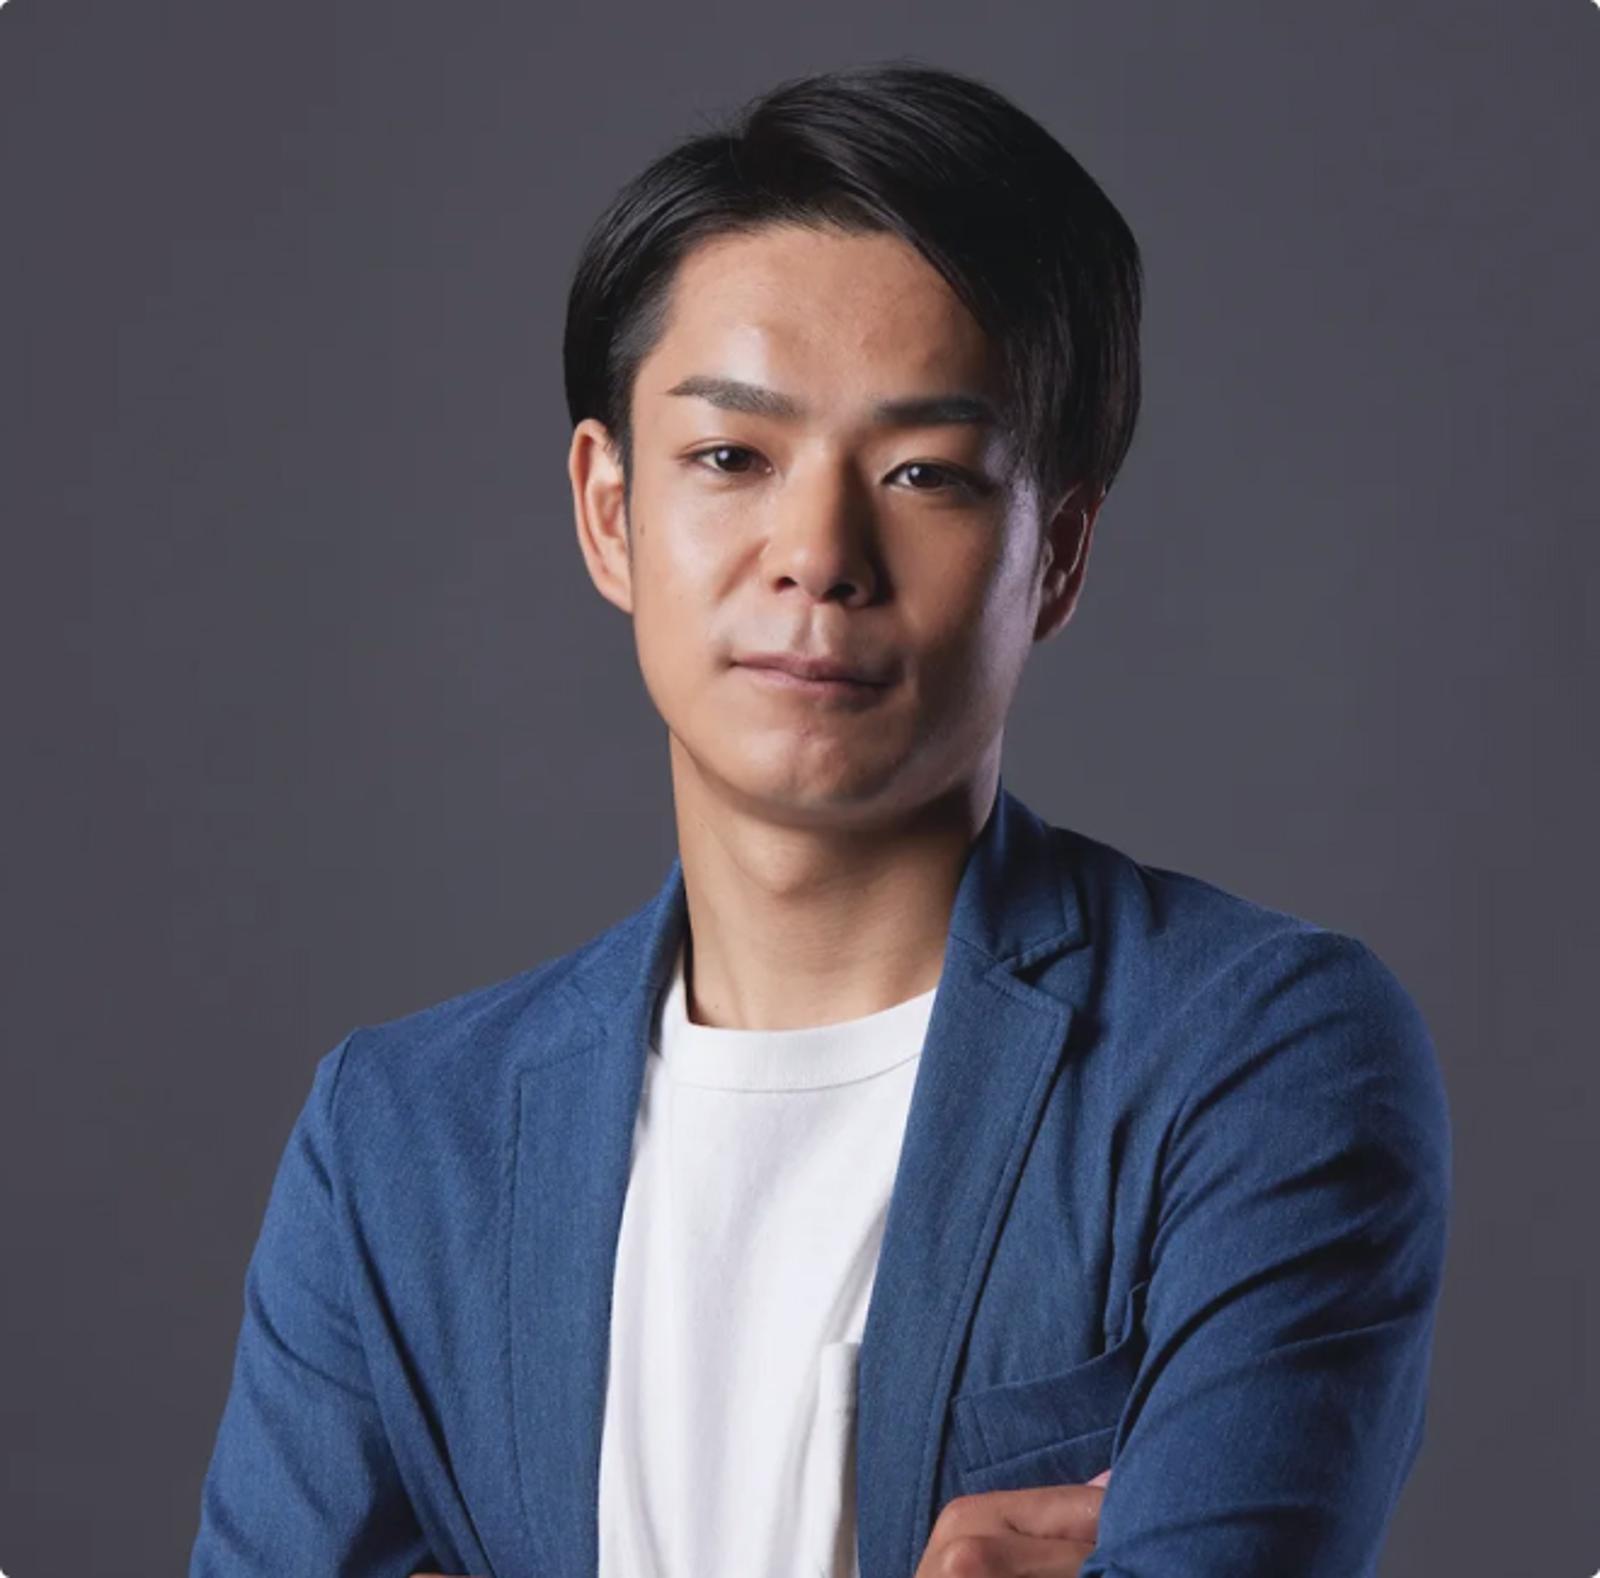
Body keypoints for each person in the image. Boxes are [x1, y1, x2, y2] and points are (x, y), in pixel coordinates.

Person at [187, 60, 1452, 1578]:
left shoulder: (1253, 1060)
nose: (819, 552)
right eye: (732, 457)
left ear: (1057, 553)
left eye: (925, 473)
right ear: (609, 511)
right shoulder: (398, 1143)